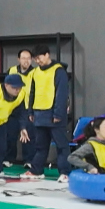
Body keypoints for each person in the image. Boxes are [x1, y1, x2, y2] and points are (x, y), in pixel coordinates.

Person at [20, 45, 71, 181]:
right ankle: (36, 170)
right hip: (39, 115)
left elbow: (62, 94)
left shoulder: (59, 71)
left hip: (54, 115)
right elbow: (32, 92)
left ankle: (65, 172)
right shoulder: (35, 72)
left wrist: (58, 114)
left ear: (47, 55)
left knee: (61, 146)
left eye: (39, 57)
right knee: (40, 146)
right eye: (35, 59)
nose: (38, 61)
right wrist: (31, 111)